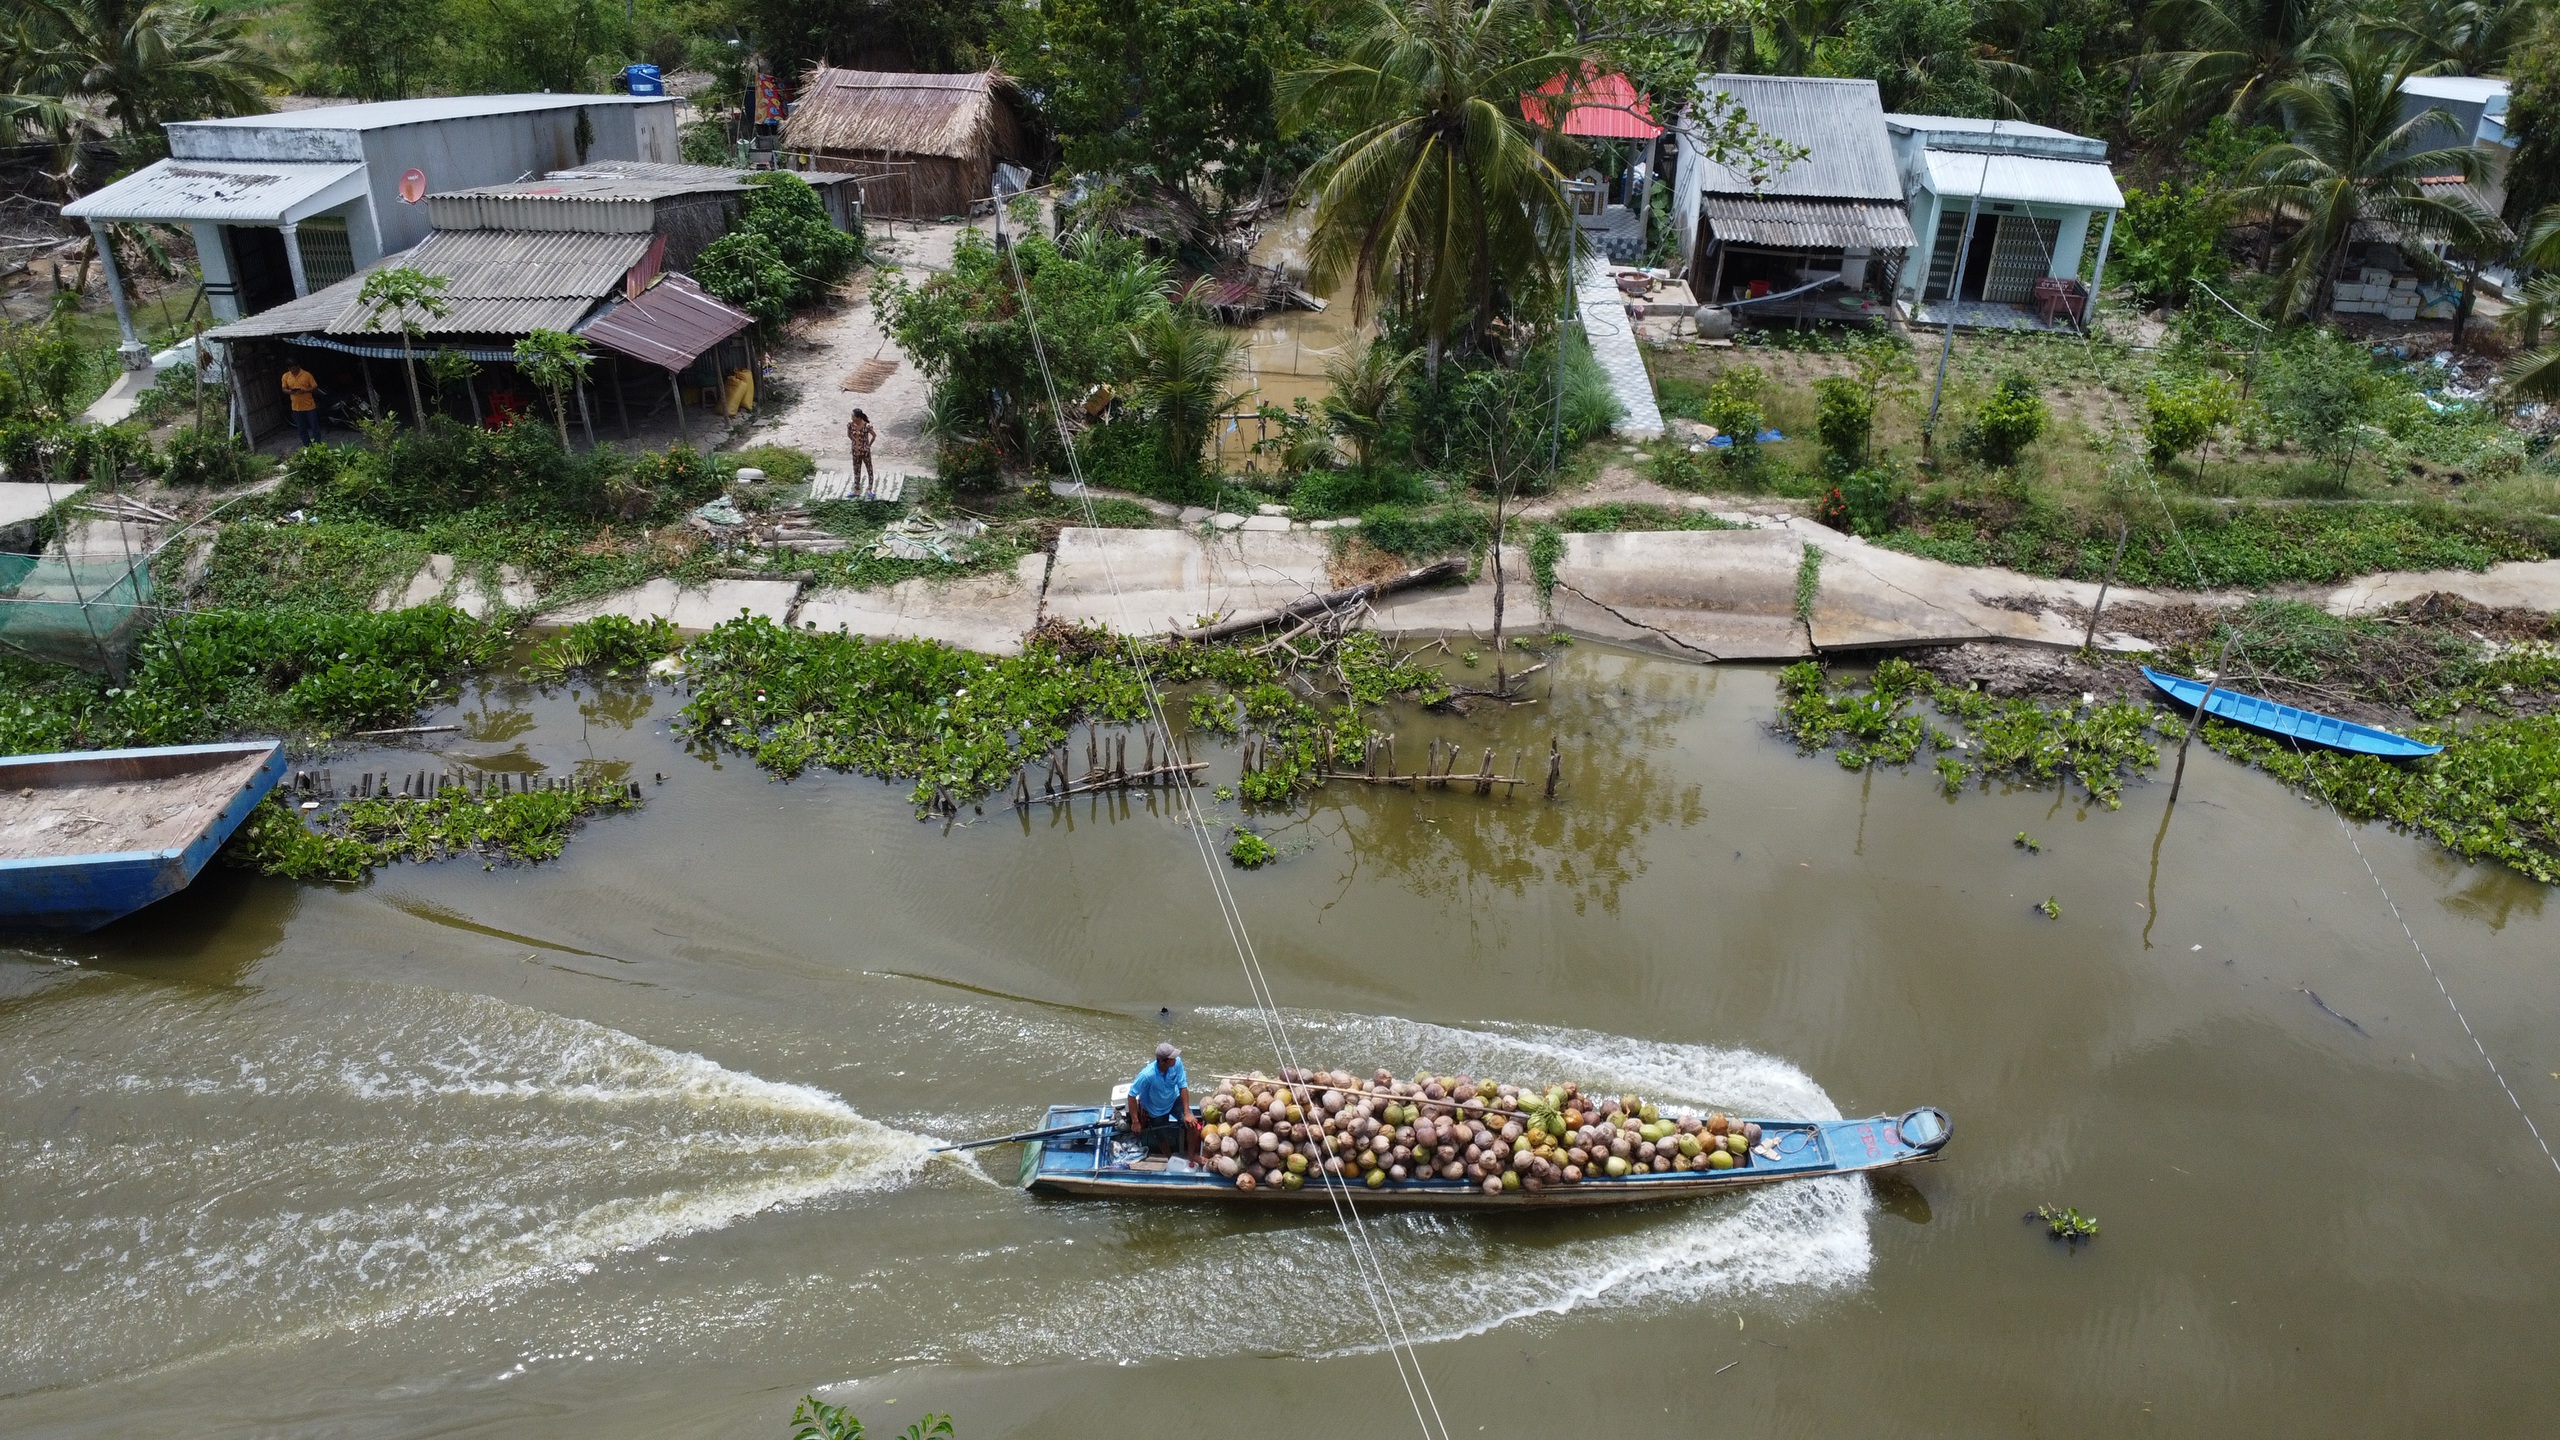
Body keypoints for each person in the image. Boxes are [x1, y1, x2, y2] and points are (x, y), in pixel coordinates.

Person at [1126, 1041, 1200, 1160]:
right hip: (1155, 1109)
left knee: (1193, 1126)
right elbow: (1131, 1095)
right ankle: (1170, 1158)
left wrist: (1187, 1112)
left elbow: (1183, 1086)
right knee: (1161, 1136)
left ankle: (1191, 1154)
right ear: (1162, 1061)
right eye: (1172, 1058)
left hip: (1173, 1099)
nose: (1175, 1059)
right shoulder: (1147, 1075)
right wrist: (1135, 1121)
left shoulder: (1177, 1063)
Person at [280, 362, 322, 446]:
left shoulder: (307, 375)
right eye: (291, 369)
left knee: (314, 427)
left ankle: (318, 445)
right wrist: (291, 391)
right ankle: (307, 445)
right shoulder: (286, 376)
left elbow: (315, 387)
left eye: (294, 368)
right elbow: (284, 389)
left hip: (309, 406)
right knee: (301, 429)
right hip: (296, 408)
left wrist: (305, 390)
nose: (293, 370)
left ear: (298, 366)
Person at [846, 407, 877, 489]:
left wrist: (868, 445)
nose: (852, 418)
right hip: (855, 451)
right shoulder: (850, 425)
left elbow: (874, 435)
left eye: (853, 416)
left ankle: (870, 487)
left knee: (869, 468)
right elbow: (849, 435)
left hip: (865, 452)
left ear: (859, 418)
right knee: (856, 469)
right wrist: (855, 442)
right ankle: (856, 488)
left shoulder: (867, 426)